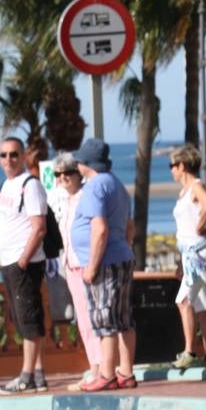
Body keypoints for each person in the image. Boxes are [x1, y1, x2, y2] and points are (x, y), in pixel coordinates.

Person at [70, 138, 137, 391]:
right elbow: (130, 226)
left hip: (105, 262)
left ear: (86, 163)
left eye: (79, 159)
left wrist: (92, 266)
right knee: (124, 318)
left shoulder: (95, 187)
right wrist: (125, 247)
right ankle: (126, 371)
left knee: (105, 317)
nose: (76, 163)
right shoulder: (117, 185)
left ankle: (107, 374)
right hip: (121, 256)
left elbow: (99, 229)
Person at [0, 136, 49, 395]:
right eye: (3, 155)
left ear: (24, 156)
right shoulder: (8, 184)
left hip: (22, 262)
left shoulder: (30, 184)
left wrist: (23, 259)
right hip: (10, 261)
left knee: (28, 319)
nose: (8, 160)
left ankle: (26, 375)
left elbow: (39, 227)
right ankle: (37, 374)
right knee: (23, 317)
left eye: (13, 154)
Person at [52, 152, 103, 386]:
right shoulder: (61, 199)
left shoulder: (87, 195)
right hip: (70, 265)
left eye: (69, 172)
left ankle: (102, 365)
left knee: (95, 317)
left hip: (86, 263)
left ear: (78, 173)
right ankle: (94, 366)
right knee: (82, 319)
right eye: (59, 174)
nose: (64, 178)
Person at [169, 145, 206, 368]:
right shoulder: (184, 192)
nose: (171, 170)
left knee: (183, 299)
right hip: (190, 253)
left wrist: (200, 227)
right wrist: (181, 262)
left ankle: (189, 351)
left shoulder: (196, 186)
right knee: (200, 302)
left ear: (183, 166)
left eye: (173, 165)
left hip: (200, 252)